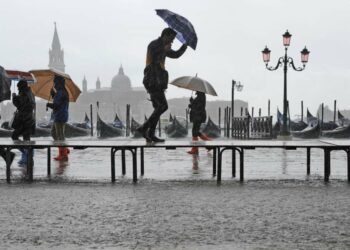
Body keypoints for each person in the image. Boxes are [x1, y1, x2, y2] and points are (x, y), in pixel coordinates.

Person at [137, 27, 187, 142]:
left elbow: (176, 55)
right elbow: (156, 56)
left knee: (157, 108)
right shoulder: (154, 44)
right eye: (171, 39)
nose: (172, 42)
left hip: (158, 81)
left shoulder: (163, 47)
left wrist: (185, 45)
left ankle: (150, 134)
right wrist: (165, 49)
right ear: (166, 35)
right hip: (152, 80)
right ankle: (144, 128)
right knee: (163, 106)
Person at [11, 80, 36, 166]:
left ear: (21, 87)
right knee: (26, 139)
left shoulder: (23, 94)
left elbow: (20, 106)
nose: (18, 89)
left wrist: (14, 97)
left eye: (18, 87)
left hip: (24, 120)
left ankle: (26, 154)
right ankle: (27, 159)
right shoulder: (31, 93)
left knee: (14, 136)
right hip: (30, 119)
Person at [46, 75, 70, 161]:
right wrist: (53, 95)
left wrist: (49, 104)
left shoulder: (60, 92)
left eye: (55, 82)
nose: (54, 84)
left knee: (60, 135)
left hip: (60, 115)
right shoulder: (62, 91)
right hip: (60, 115)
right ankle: (64, 149)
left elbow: (56, 105)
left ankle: (63, 154)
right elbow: (59, 102)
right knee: (54, 133)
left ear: (58, 83)